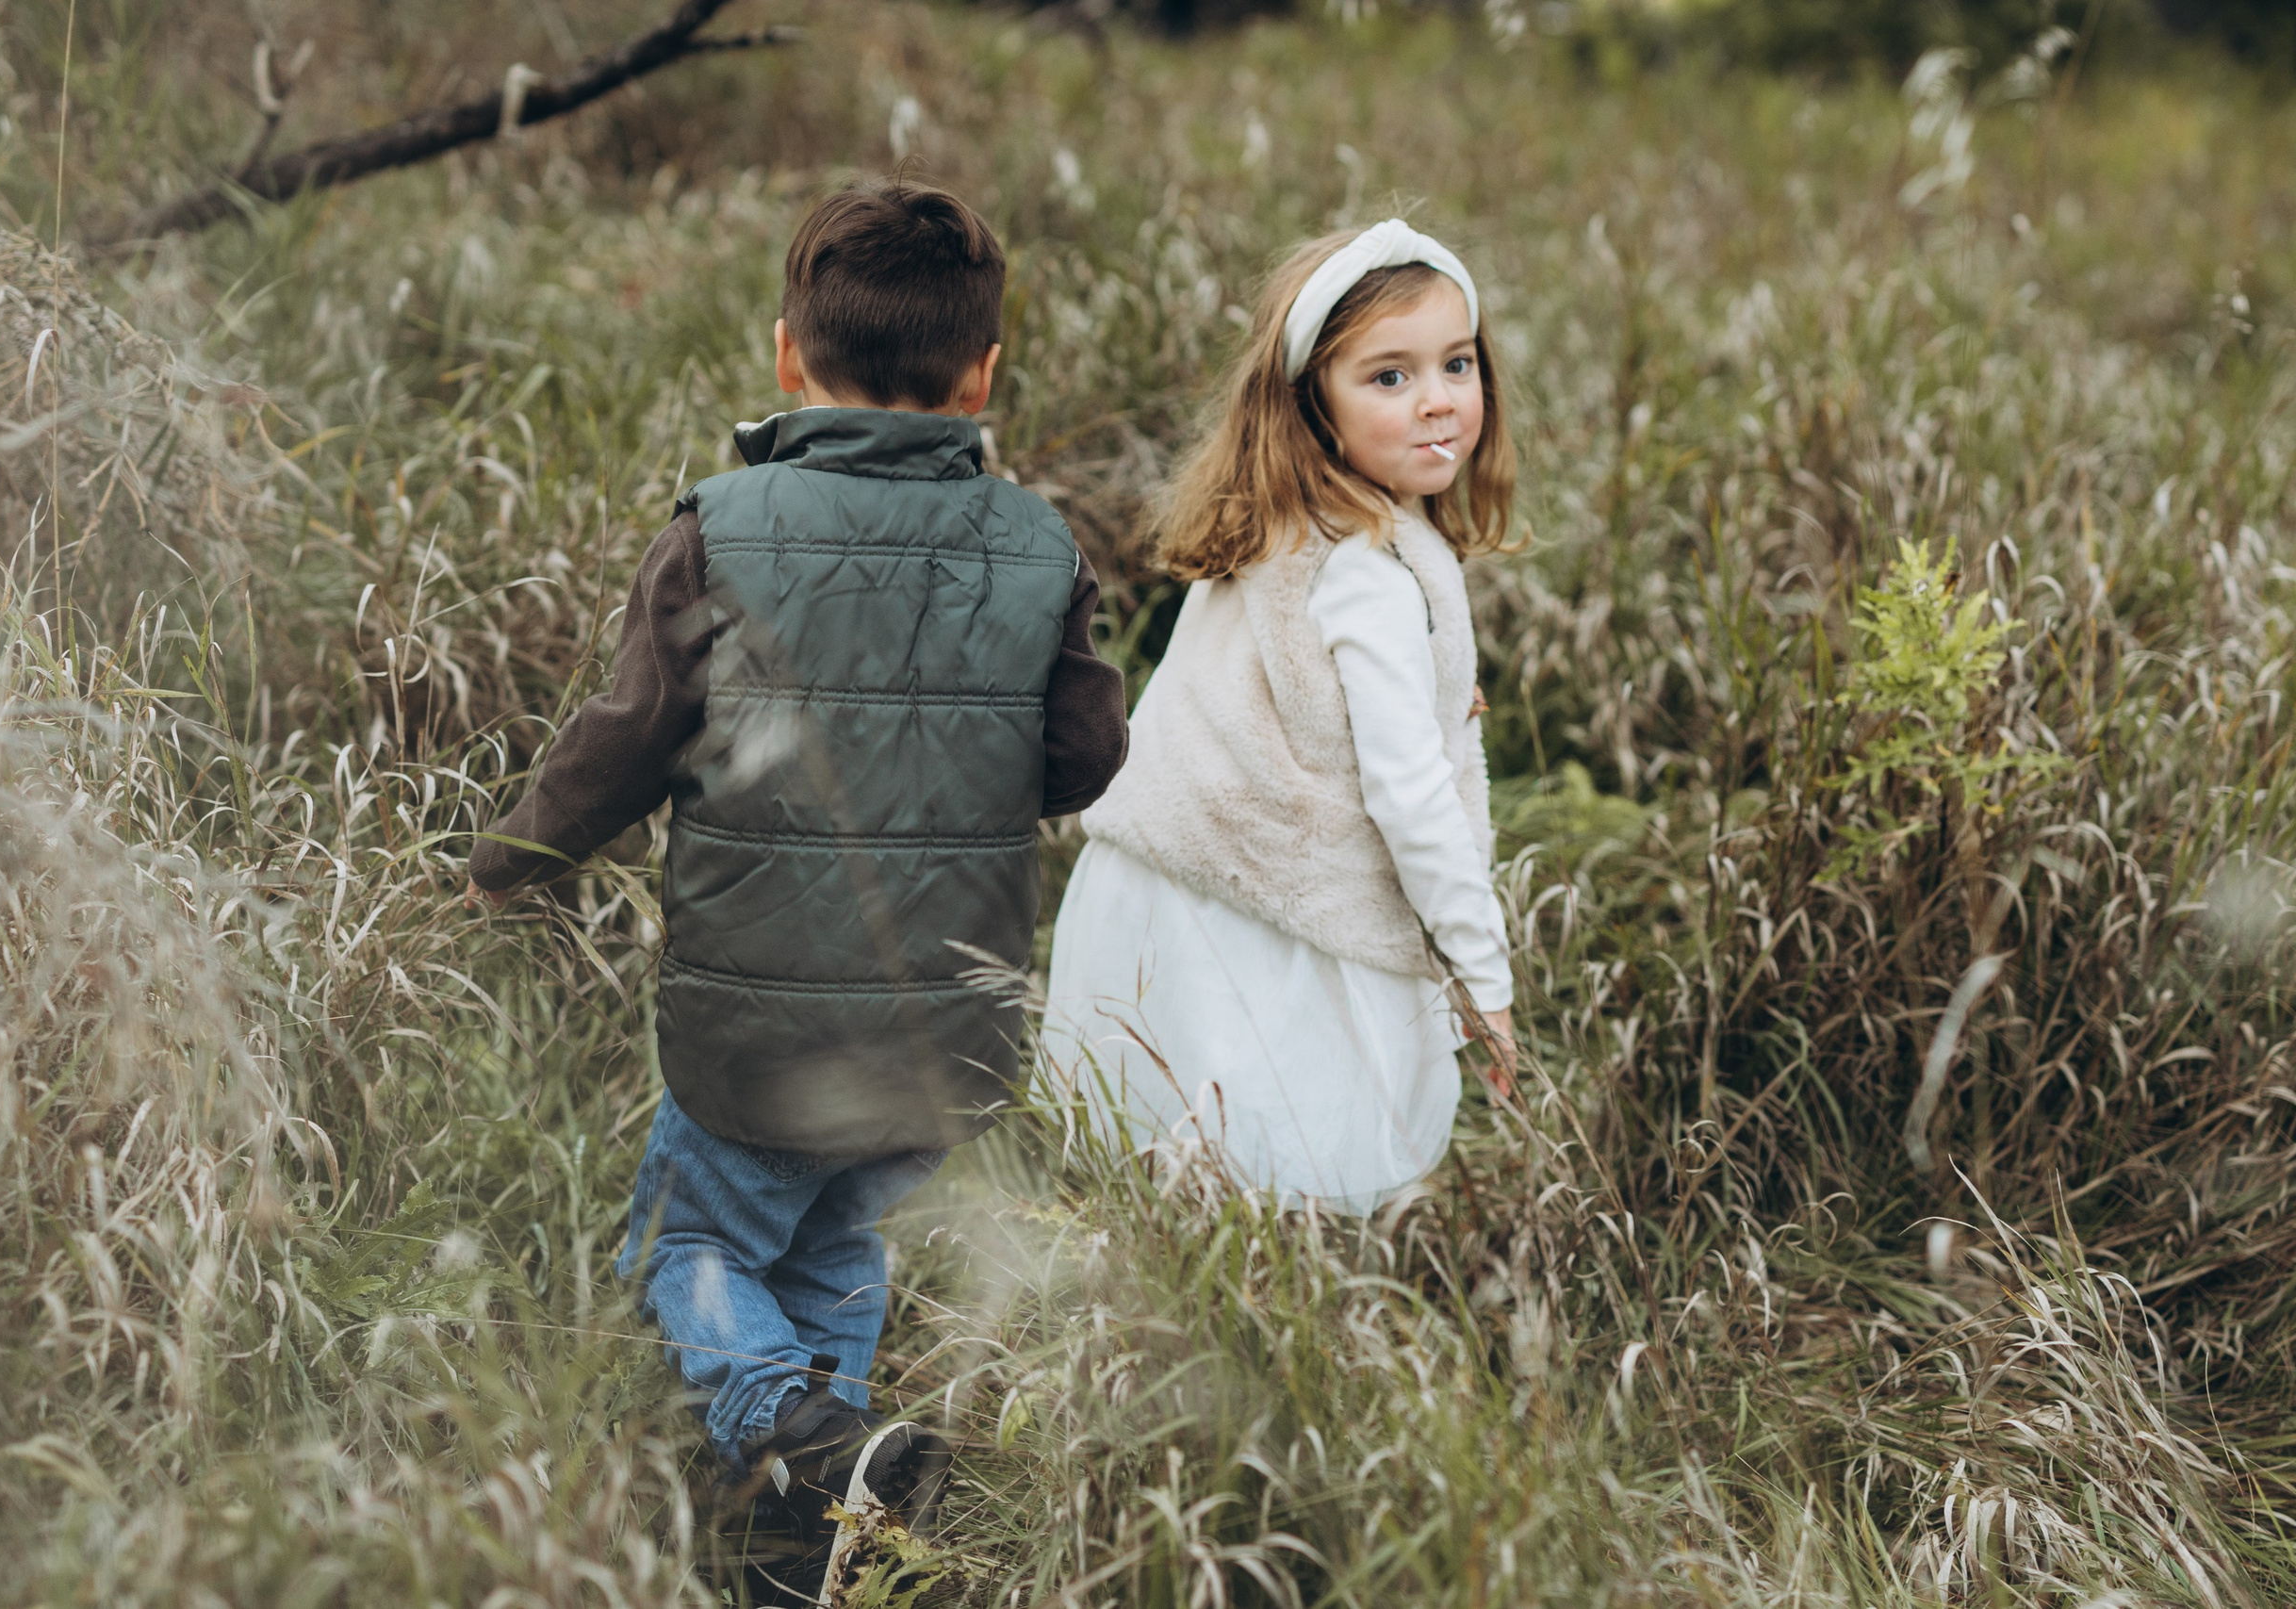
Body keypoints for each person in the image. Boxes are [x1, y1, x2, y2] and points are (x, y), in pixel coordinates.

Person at [466, 178, 1127, 1597]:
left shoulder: (723, 526)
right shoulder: (1041, 545)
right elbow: (1081, 760)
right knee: (837, 1250)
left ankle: (789, 1425)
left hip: (751, 1037)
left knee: (685, 1241)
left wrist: (506, 862)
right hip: (942, 1032)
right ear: (984, 375)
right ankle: (814, 1531)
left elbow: (625, 743)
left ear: (785, 353)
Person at [1044, 219, 1517, 1216]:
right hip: (1266, 913)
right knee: (1290, 1164)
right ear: (1314, 407)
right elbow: (1410, 795)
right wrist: (1481, 967)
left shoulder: (1288, 527)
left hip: (1177, 875)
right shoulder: (1369, 573)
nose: (1438, 400)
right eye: (1388, 377)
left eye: (1457, 363)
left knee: (1180, 1176)